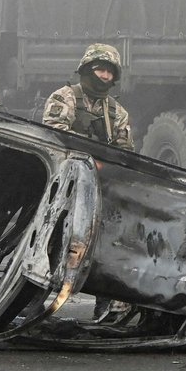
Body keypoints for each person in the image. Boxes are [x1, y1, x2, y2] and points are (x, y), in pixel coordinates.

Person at [42, 43, 133, 323]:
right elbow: (53, 135)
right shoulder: (64, 97)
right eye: (99, 69)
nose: (103, 76)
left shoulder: (117, 112)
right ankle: (33, 303)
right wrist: (92, 149)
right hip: (63, 186)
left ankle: (104, 307)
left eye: (108, 72)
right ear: (86, 69)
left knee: (102, 247)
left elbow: (125, 150)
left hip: (97, 188)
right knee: (52, 245)